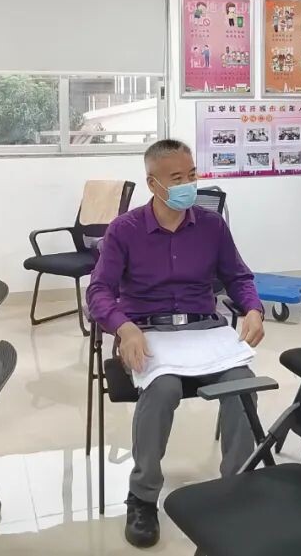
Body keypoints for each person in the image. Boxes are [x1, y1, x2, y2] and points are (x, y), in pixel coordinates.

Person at [87, 140, 266, 549]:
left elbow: (238, 277)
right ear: (153, 184)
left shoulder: (211, 226)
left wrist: (253, 309)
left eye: (192, 175)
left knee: (242, 384)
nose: (187, 184)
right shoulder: (125, 230)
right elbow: (98, 291)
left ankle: (237, 489)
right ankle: (142, 497)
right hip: (147, 333)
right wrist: (124, 328)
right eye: (176, 178)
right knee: (163, 388)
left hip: (203, 331)